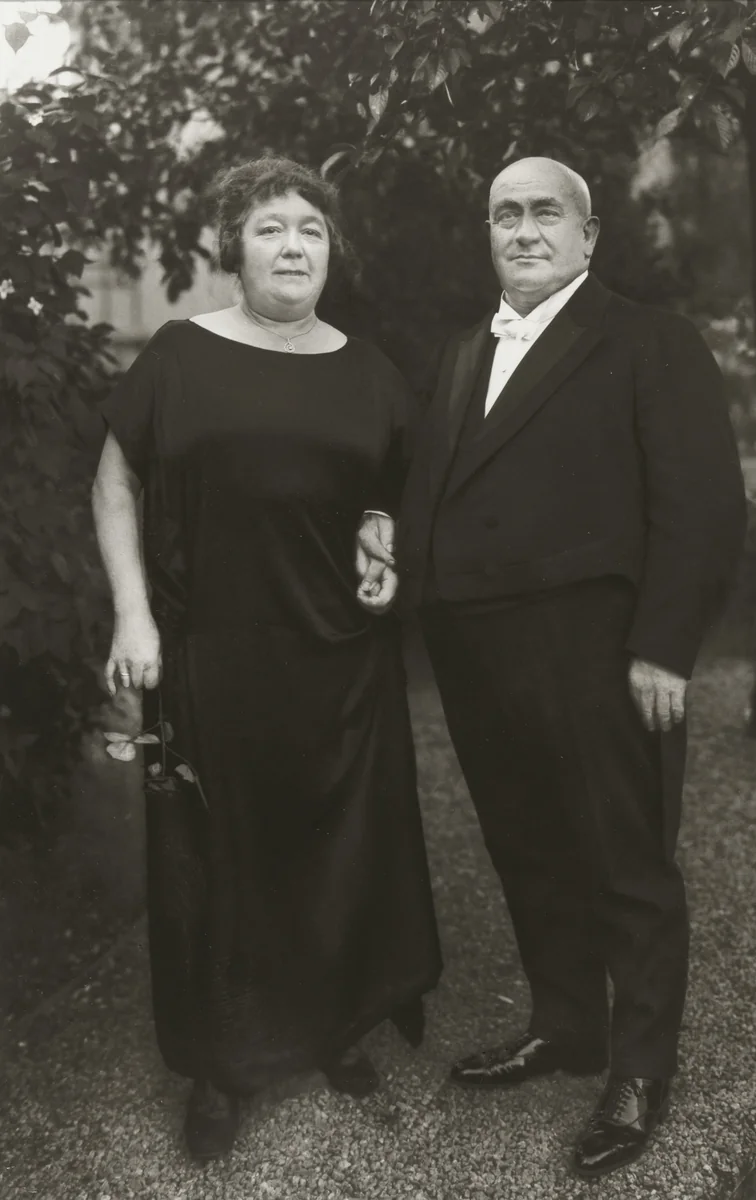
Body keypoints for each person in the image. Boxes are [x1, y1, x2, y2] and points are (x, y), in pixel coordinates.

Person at [359, 156, 746, 1179]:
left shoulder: (647, 341)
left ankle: (638, 1069)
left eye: (544, 213)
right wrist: (390, 546)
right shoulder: (460, 353)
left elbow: (702, 506)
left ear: (587, 236)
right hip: (478, 656)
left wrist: (664, 644)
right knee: (529, 850)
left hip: (599, 651)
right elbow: (432, 485)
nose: (522, 230)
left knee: (625, 861)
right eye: (504, 215)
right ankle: (566, 1026)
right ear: (487, 233)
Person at [92, 156, 441, 1162]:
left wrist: (380, 549)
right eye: (269, 229)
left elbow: (389, 495)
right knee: (217, 859)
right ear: (232, 248)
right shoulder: (178, 356)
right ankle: (221, 1066)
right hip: (212, 653)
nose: (292, 247)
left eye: (310, 231)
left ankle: (329, 1025)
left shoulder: (371, 371)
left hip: (339, 660)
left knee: (337, 849)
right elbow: (114, 487)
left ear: (333, 252)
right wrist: (133, 615)